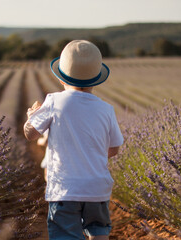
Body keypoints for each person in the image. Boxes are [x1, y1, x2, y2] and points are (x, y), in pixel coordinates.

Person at [23, 40, 124, 240]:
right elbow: (113, 150)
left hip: (65, 190)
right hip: (97, 188)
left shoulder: (54, 101)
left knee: (66, 234)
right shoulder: (106, 109)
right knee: (99, 231)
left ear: (61, 78)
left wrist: (31, 117)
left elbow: (31, 134)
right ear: (97, 79)